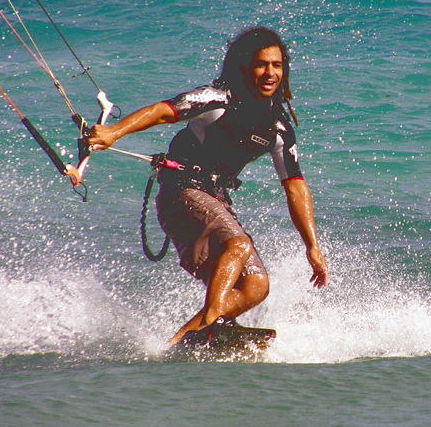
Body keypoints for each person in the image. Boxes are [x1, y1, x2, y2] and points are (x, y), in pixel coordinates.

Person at [87, 27, 328, 344]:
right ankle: (213, 323)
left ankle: (179, 342)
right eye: (261, 64)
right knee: (238, 246)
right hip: (181, 193)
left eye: (277, 65)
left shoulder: (278, 127)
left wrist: (312, 245)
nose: (270, 73)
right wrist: (113, 133)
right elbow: (163, 112)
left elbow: (295, 187)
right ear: (244, 67)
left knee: (256, 286)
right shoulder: (216, 99)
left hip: (215, 199)